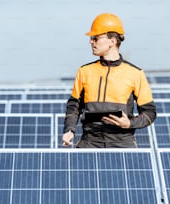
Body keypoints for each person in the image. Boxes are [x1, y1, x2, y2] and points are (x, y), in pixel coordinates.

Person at [62, 13, 156, 148]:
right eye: (91, 38)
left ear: (113, 41)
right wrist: (69, 130)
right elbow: (74, 106)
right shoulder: (84, 71)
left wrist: (129, 123)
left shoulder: (135, 73)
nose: (91, 41)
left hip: (123, 143)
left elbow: (149, 112)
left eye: (95, 38)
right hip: (89, 142)